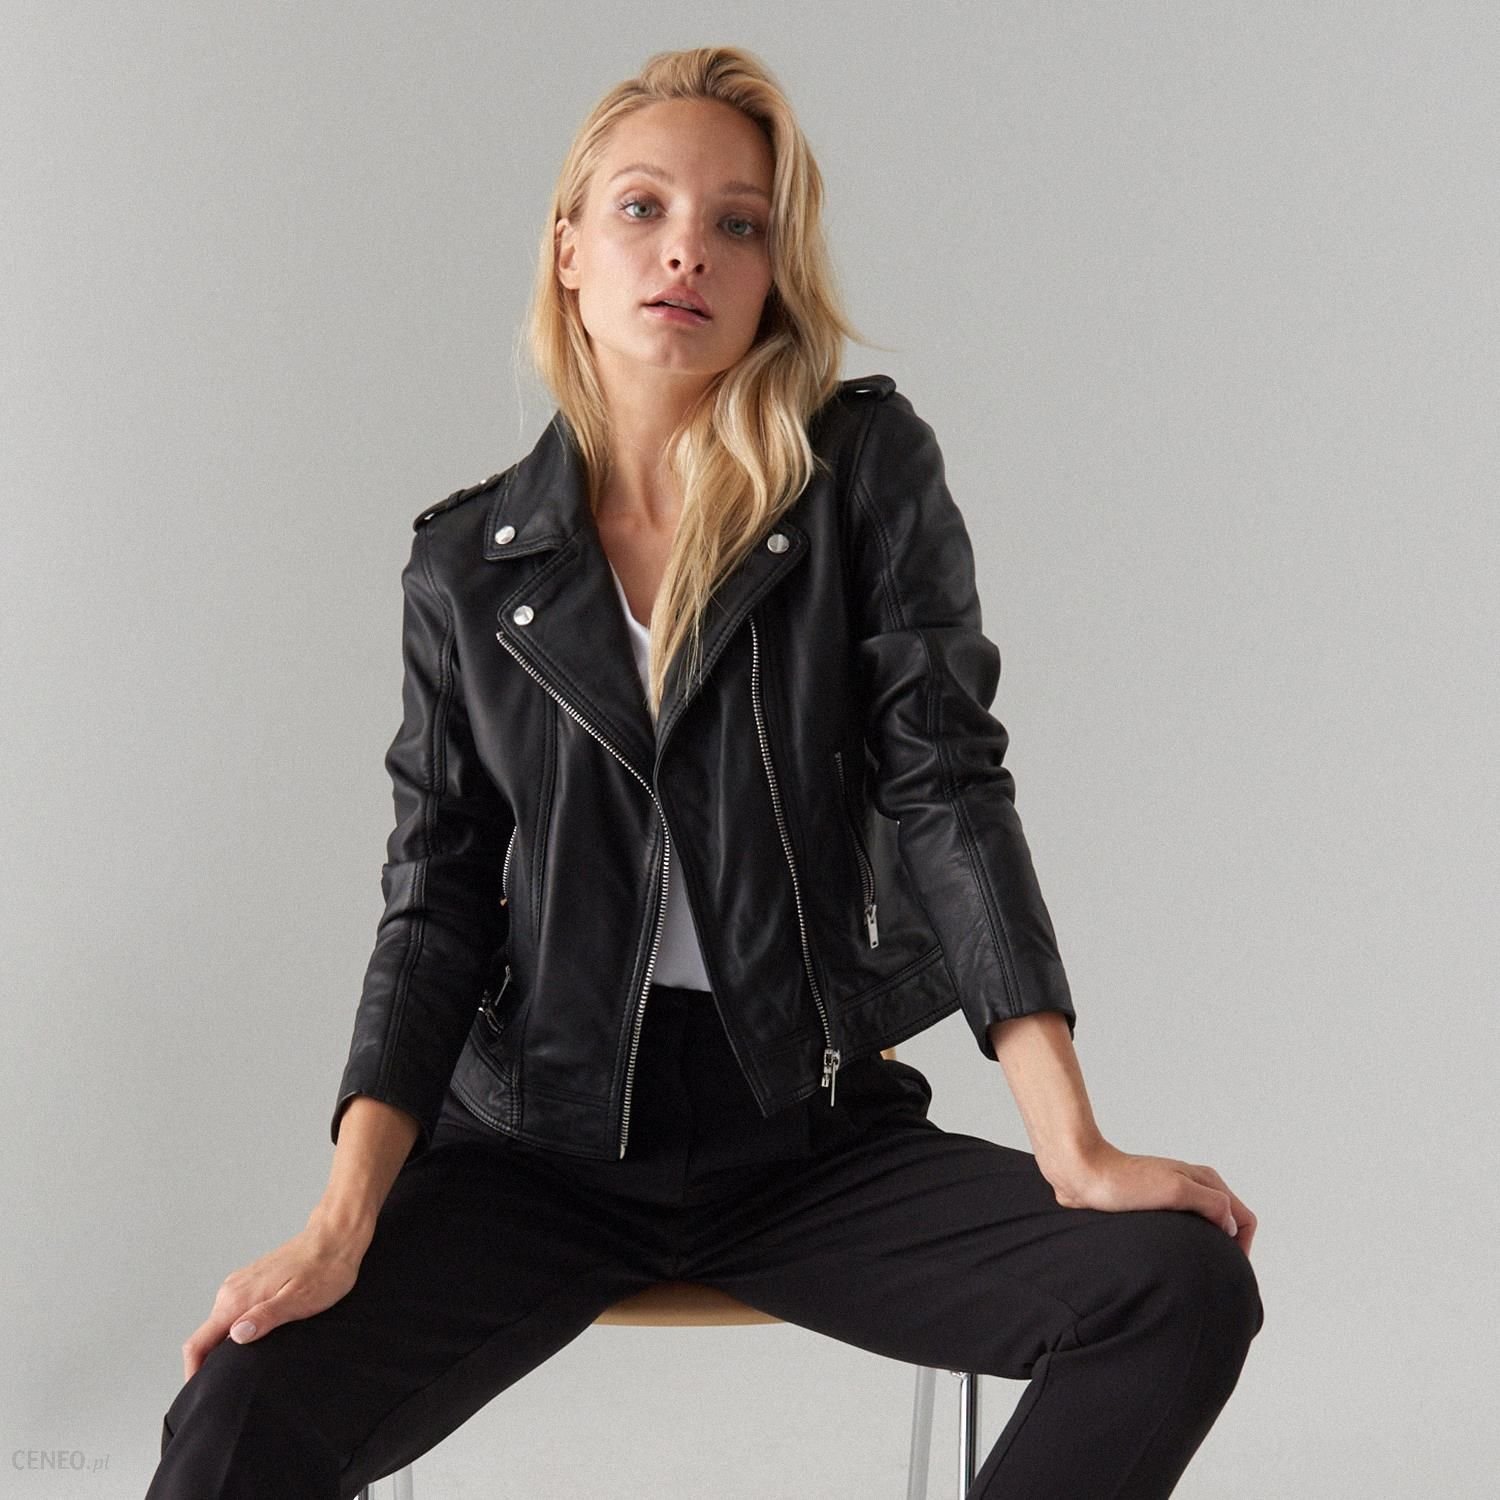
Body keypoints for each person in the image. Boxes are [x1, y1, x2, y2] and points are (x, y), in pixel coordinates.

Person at [147, 44, 1263, 1500]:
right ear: (567, 250)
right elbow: (433, 908)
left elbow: (947, 789)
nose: (689, 249)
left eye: (739, 223)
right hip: (530, 1154)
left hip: (804, 1140)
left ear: (773, 275)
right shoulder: (465, 570)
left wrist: (1075, 1145)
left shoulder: (859, 478)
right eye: (643, 207)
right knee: (238, 1413)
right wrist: (341, 1222)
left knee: (1177, 1288)